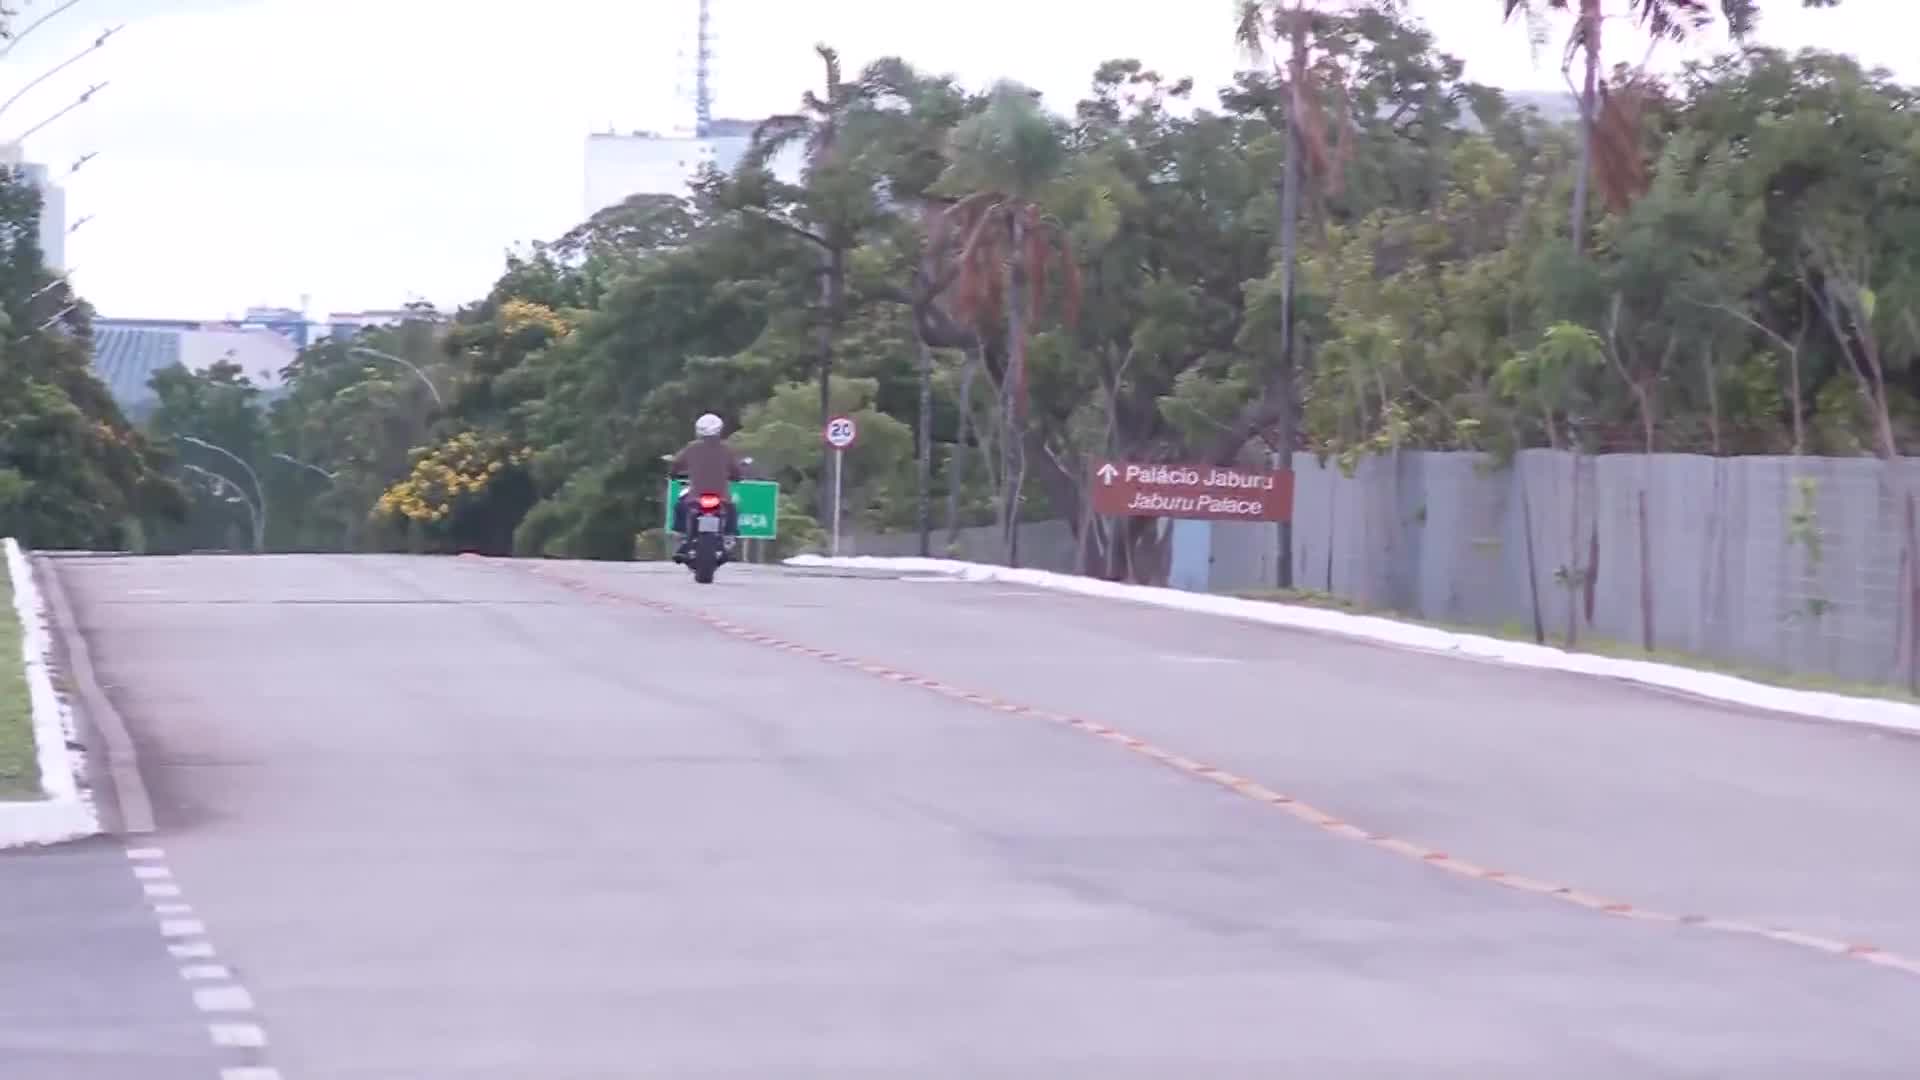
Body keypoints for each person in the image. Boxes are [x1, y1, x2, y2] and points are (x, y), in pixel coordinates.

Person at [668, 413, 746, 560]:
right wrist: (738, 476)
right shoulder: (726, 449)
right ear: (719, 430)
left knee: (679, 506)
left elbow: (676, 464)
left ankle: (681, 537)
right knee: (733, 509)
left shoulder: (691, 448)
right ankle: (729, 537)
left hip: (695, 495)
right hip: (721, 496)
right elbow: (737, 470)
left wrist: (673, 474)